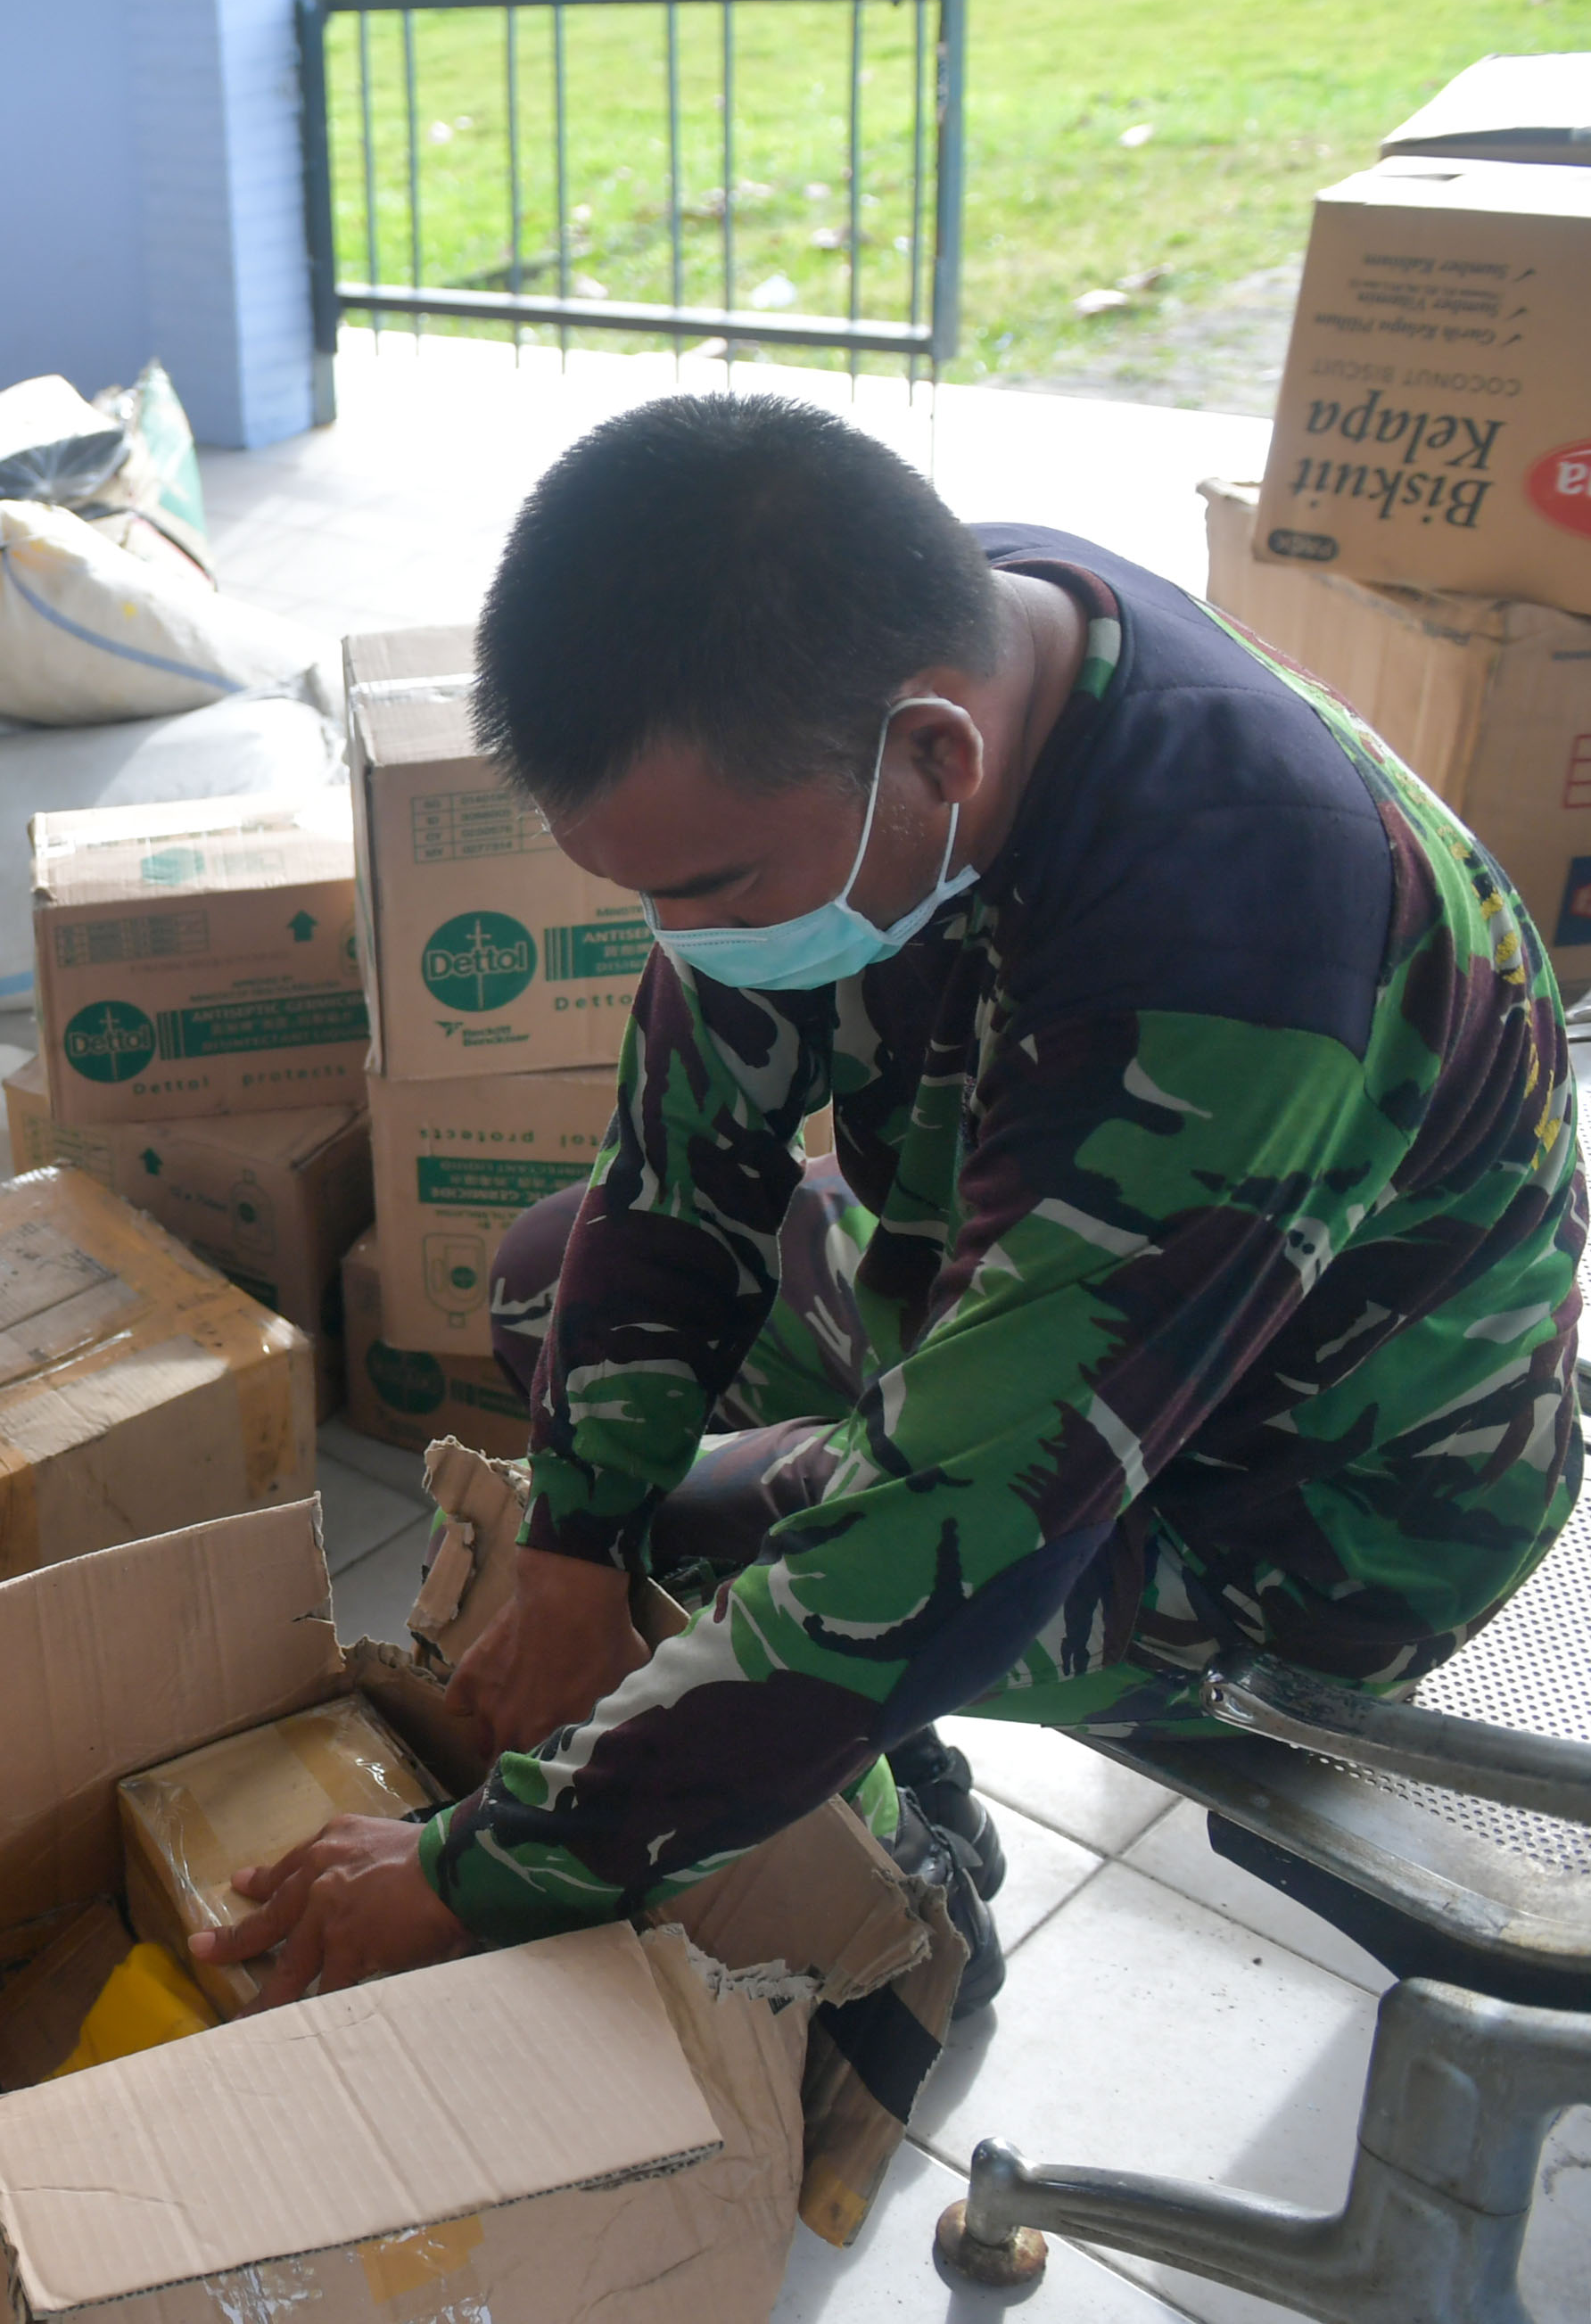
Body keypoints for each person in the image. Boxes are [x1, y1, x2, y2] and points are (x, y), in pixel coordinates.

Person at [192, 391, 1583, 2009]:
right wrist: (570, 1548)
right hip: (1049, 1303)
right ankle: (797, 1755)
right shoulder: (874, 669)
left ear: (939, 755)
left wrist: (477, 1871)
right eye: (644, 895)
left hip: (1307, 1506)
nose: (683, 940)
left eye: (712, 890)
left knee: (752, 1553)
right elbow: (675, 1179)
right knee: (559, 1296)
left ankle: (892, 1917)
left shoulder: (1243, 945)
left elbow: (955, 1531)